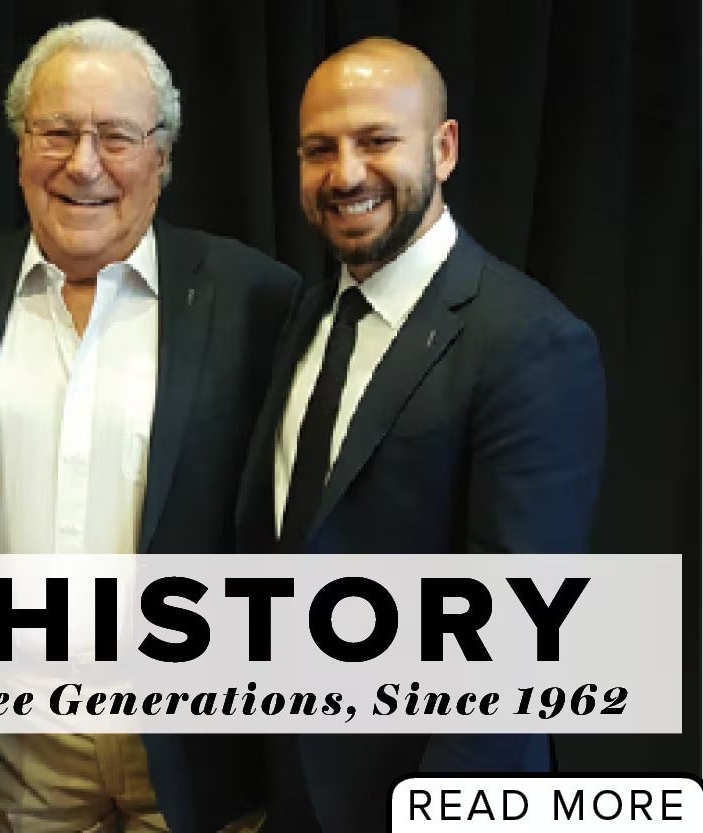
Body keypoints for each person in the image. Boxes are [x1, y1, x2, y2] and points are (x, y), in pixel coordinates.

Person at [0, 16, 299, 833]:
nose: (83, 164)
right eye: (57, 132)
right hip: (11, 751)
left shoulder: (258, 299)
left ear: (163, 157)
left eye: (116, 135)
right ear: (18, 147)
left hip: (196, 749)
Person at [235, 37, 607, 832]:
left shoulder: (529, 340)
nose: (345, 174)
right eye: (318, 150)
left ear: (444, 149)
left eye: (376, 141)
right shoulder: (308, 313)